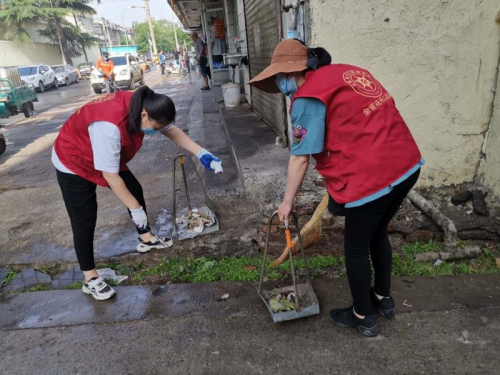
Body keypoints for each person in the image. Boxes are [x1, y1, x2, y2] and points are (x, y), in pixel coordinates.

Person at [249, 39, 423, 337]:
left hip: (371, 180)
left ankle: (362, 315)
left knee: (355, 249)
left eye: (280, 77)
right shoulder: (348, 72)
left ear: (291, 72)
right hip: (407, 164)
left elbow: (301, 157)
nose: (280, 85)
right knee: (377, 233)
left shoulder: (308, 98)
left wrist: (287, 201)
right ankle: (383, 298)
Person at [51, 86, 223, 301]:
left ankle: (146, 238)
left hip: (103, 152)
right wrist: (136, 210)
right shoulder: (109, 126)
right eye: (154, 126)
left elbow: (169, 129)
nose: (155, 131)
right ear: (144, 115)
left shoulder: (145, 104)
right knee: (84, 218)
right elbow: (111, 177)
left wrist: (201, 152)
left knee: (134, 189)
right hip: (74, 159)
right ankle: (90, 278)